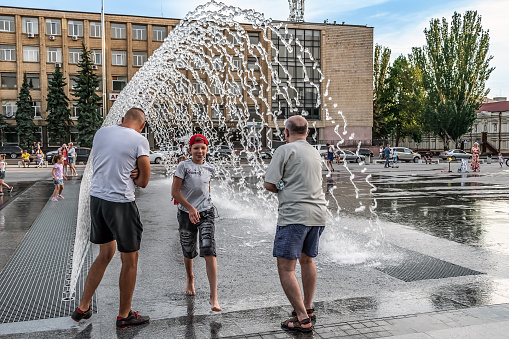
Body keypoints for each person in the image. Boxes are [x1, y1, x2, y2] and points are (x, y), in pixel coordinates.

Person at [71, 107, 151, 330]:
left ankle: (83, 307)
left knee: (105, 254)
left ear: (122, 119)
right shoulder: (139, 140)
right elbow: (143, 181)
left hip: (97, 200)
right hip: (120, 204)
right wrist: (135, 172)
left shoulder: (101, 133)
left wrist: (131, 169)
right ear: (142, 125)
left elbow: (112, 159)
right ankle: (124, 316)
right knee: (130, 260)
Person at [264, 116, 327, 333]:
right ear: (307, 132)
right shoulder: (315, 152)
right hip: (318, 215)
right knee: (307, 261)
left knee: (286, 268)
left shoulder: (284, 150)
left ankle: (301, 318)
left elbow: (269, 184)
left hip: (294, 217)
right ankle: (307, 308)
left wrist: (282, 186)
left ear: (286, 133)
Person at [171, 134, 221, 312]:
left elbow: (205, 188)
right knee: (189, 250)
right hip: (186, 213)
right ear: (190, 150)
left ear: (207, 149)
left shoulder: (210, 168)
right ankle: (190, 278)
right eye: (196, 148)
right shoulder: (183, 166)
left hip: (206, 213)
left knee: (209, 250)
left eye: (203, 148)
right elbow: (175, 192)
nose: (199, 151)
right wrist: (191, 208)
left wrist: (203, 205)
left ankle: (213, 296)